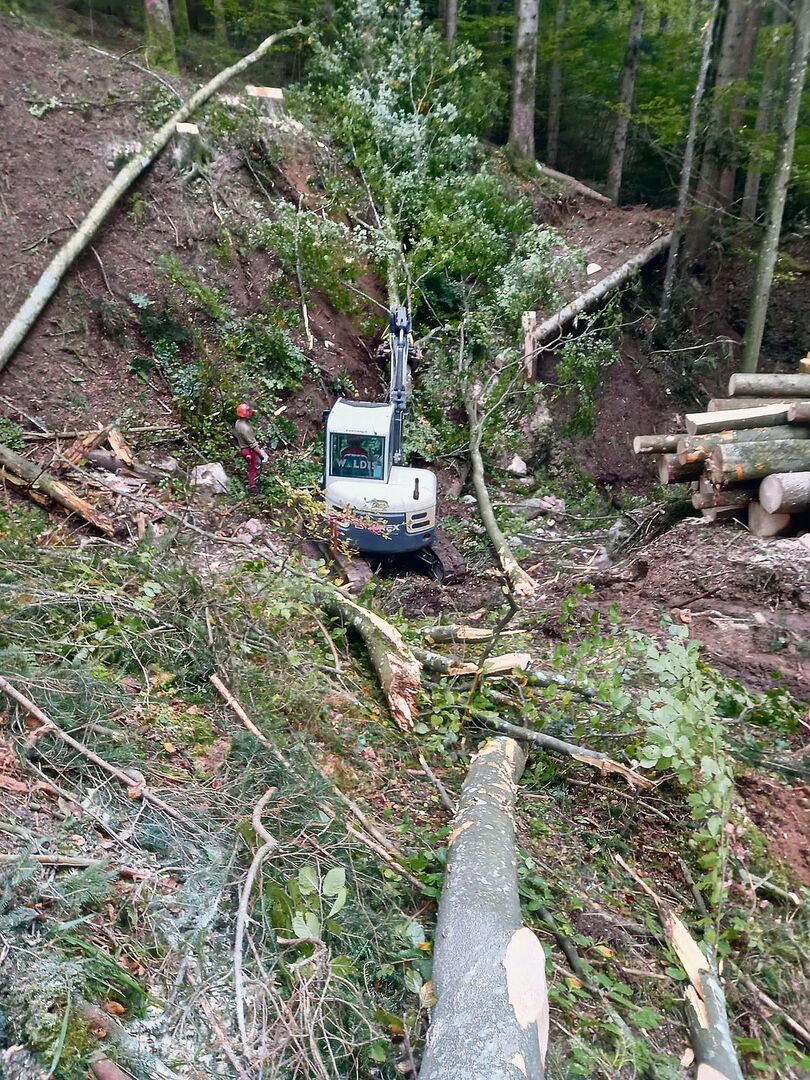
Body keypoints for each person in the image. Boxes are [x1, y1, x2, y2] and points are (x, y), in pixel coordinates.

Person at [234, 403, 268, 495]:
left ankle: (254, 488)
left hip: (244, 449)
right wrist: (261, 453)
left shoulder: (238, 423)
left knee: (252, 469)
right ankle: (254, 490)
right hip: (249, 450)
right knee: (254, 470)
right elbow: (252, 444)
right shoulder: (245, 429)